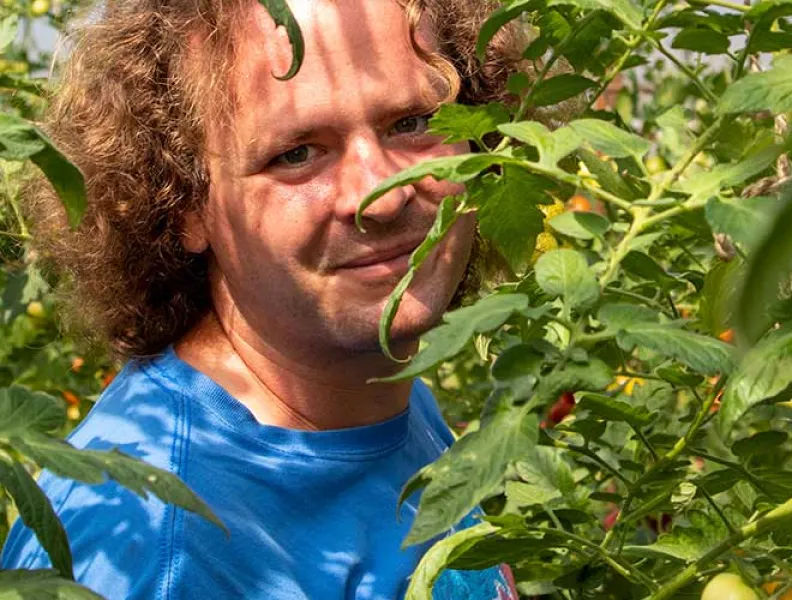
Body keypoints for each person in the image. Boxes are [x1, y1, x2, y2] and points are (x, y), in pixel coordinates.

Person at [1, 1, 524, 598]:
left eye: (412, 122)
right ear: (183, 204)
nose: (381, 197)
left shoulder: (367, 391)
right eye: (296, 154)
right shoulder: (149, 550)